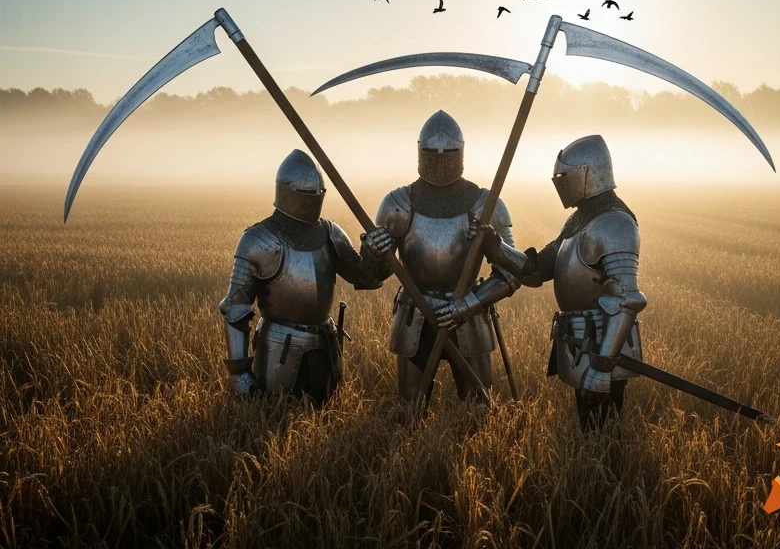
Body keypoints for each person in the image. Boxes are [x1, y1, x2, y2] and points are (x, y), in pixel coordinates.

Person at [460, 134, 646, 431]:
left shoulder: (615, 224)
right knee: (590, 425)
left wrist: (602, 366)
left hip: (604, 343)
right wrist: (495, 246)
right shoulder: (579, 220)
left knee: (604, 430)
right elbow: (536, 270)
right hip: (581, 339)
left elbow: (626, 300)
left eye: (564, 177)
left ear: (587, 174)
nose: (560, 184)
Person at [363, 111, 519, 407]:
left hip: (469, 314)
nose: (439, 162)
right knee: (409, 409)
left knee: (478, 411)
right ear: (420, 153)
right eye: (431, 155)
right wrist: (371, 254)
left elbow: (511, 272)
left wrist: (467, 305)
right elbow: (372, 276)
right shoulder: (398, 204)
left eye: (447, 155)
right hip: (414, 314)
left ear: (460, 154)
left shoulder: (485, 205)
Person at [219, 149, 388, 404]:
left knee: (327, 413)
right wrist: (239, 374)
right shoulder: (259, 240)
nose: (312, 200)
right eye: (306, 194)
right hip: (278, 350)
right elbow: (235, 308)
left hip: (325, 345)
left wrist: (373, 256)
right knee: (274, 414)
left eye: (317, 194)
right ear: (286, 192)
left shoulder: (330, 233)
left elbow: (363, 278)